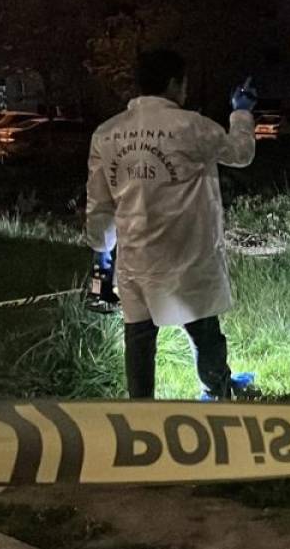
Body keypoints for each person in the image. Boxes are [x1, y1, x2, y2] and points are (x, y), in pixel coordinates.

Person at [85, 49, 256, 399]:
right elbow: (240, 153)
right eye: (185, 83)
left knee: (139, 336)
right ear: (175, 83)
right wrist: (241, 111)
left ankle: (140, 405)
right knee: (204, 328)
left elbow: (100, 204)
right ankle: (217, 389)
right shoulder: (190, 126)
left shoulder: (107, 134)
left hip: (136, 258)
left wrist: (102, 252)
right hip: (186, 253)